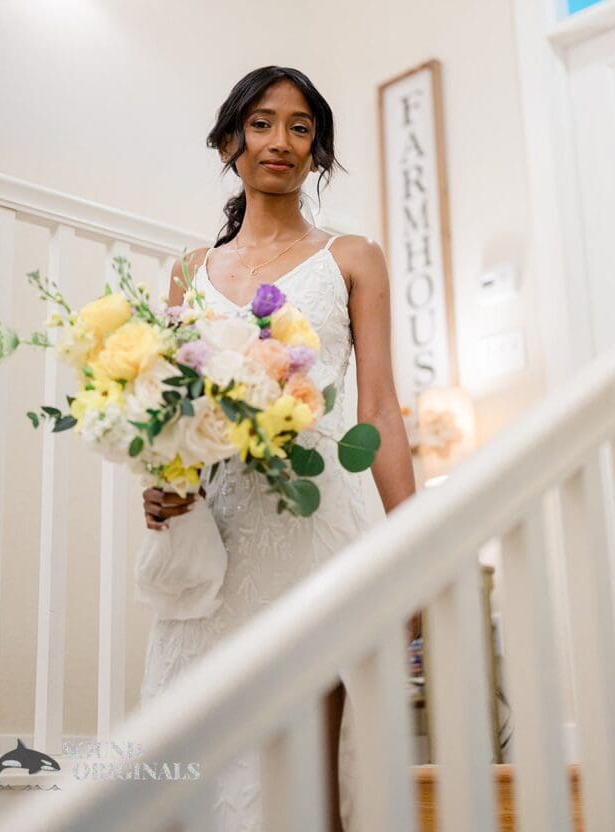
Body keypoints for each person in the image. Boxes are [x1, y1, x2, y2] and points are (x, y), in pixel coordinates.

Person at [140, 65, 416, 831]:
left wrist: (415, 540)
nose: (281, 141)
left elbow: (381, 409)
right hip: (221, 531)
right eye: (262, 123)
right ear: (230, 140)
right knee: (211, 736)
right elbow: (170, 413)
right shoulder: (188, 273)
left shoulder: (352, 257)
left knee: (313, 745)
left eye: (301, 128)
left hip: (320, 514)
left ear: (316, 153)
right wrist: (165, 486)